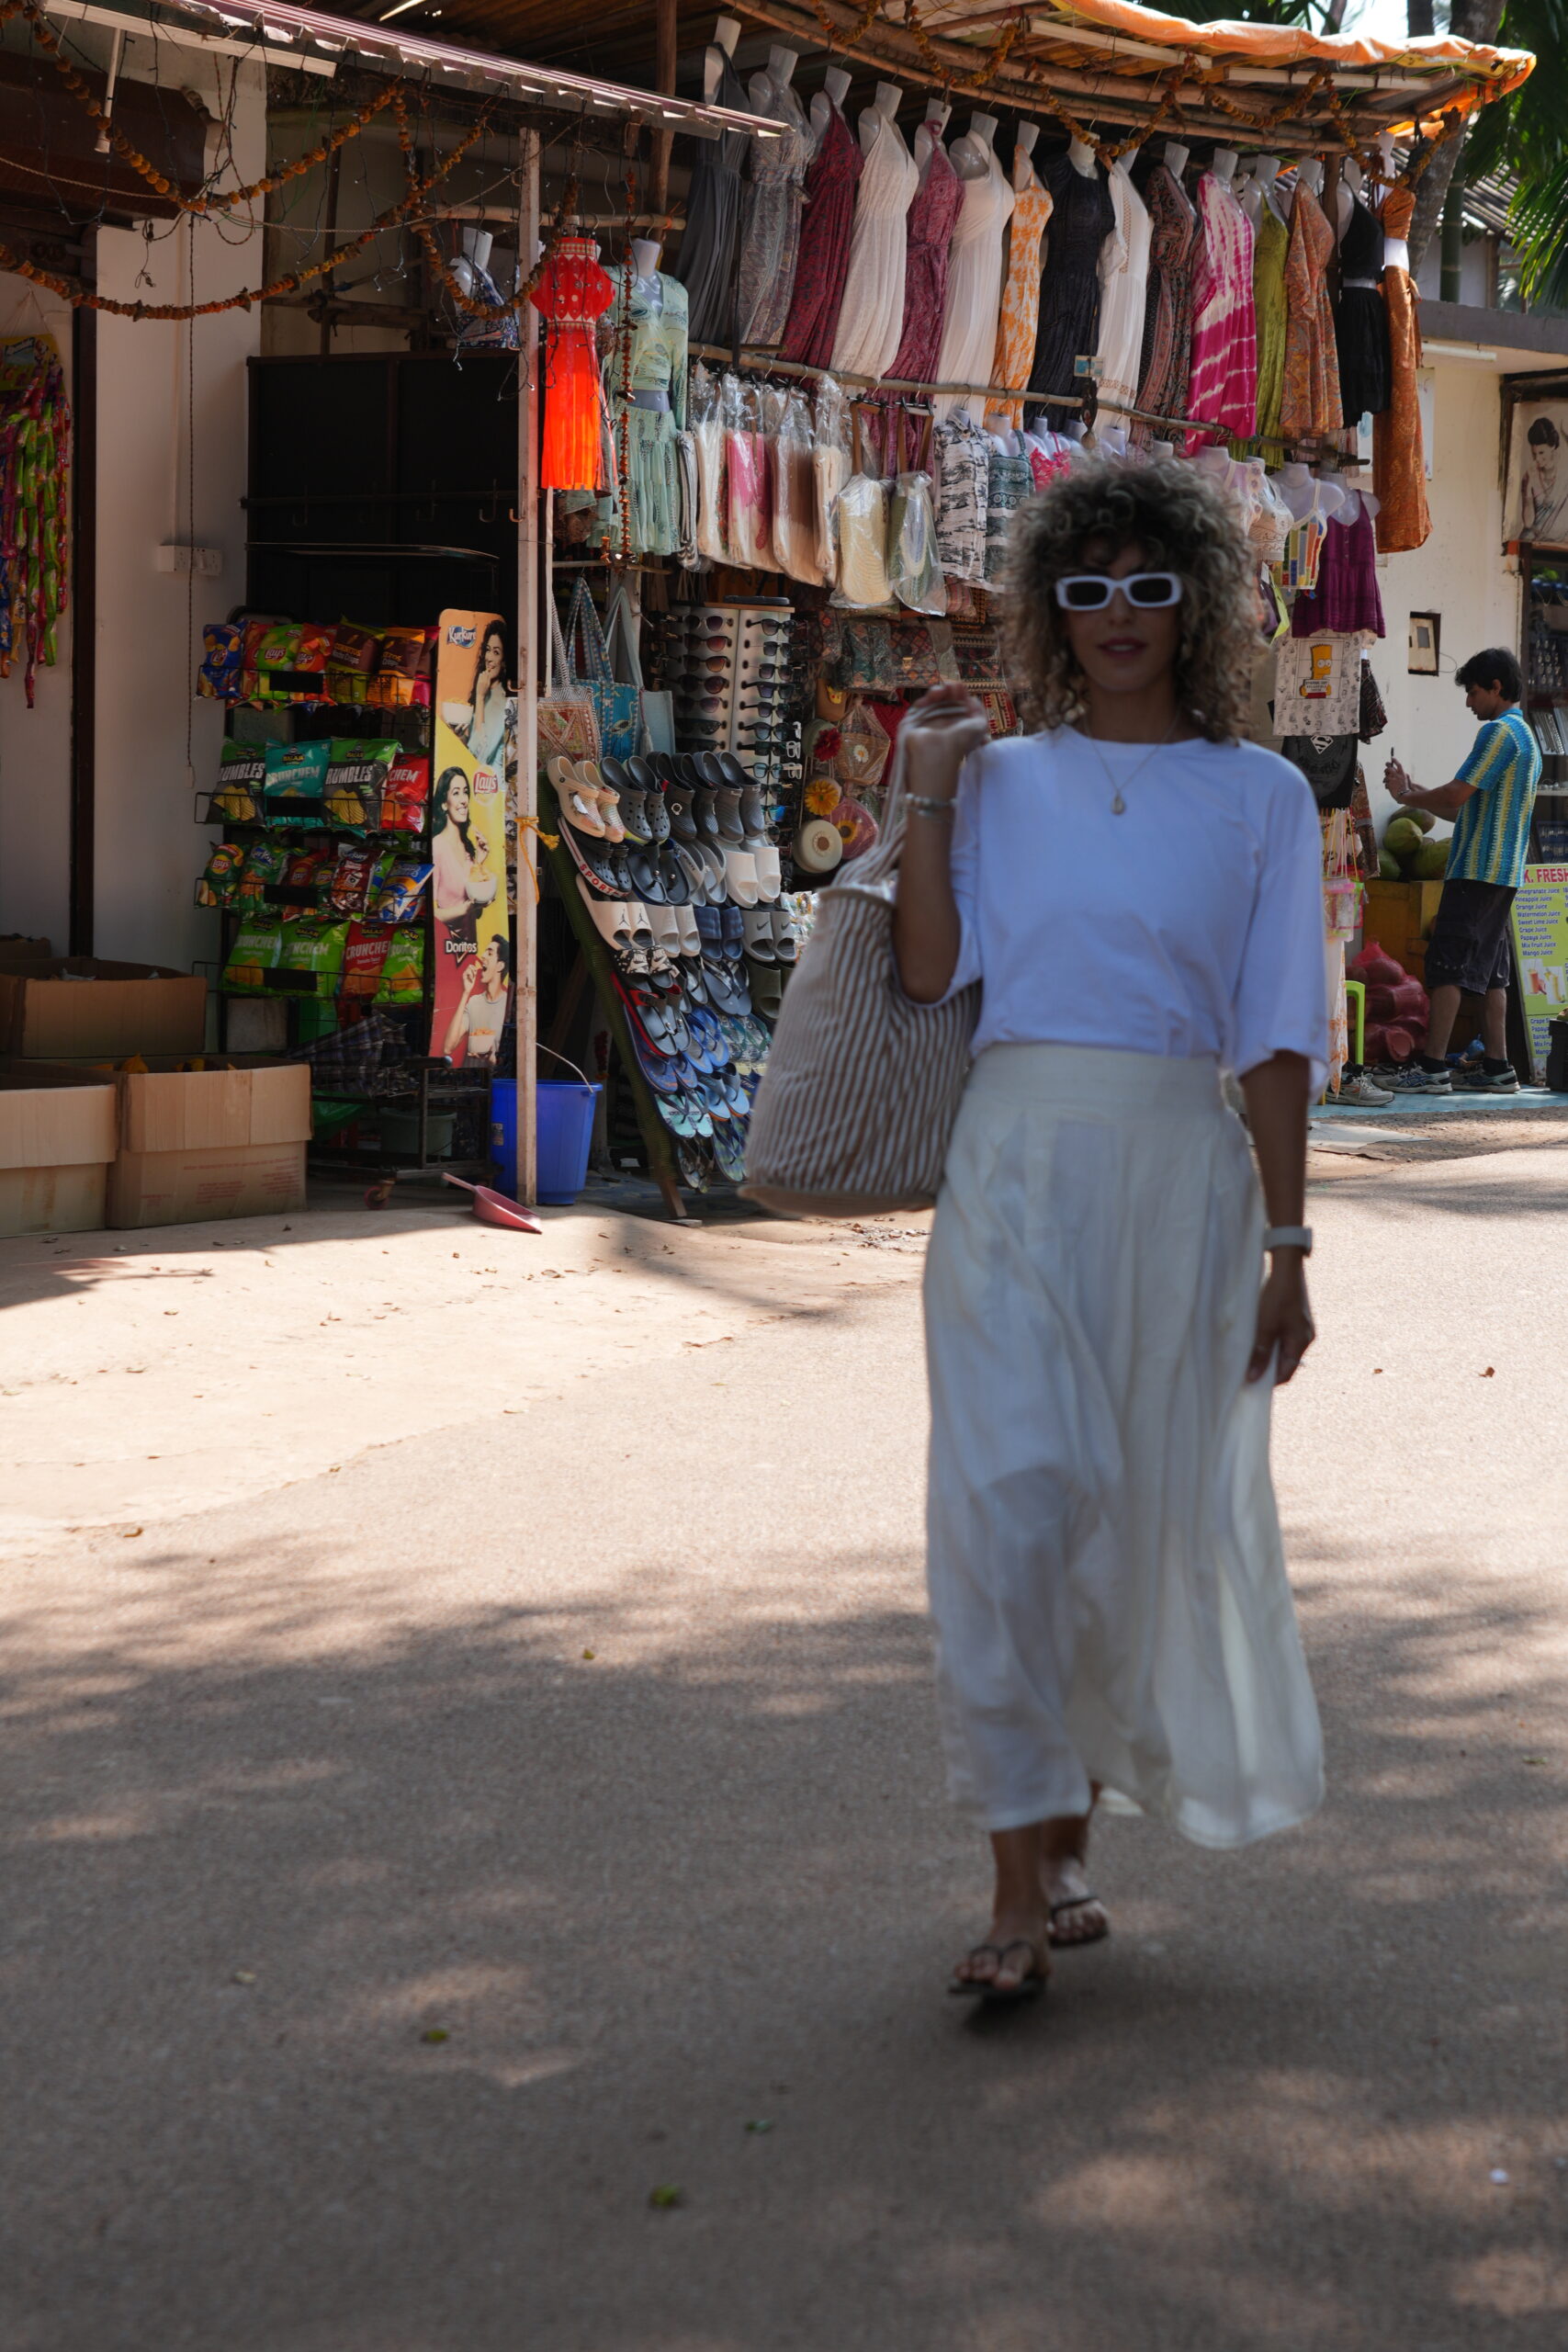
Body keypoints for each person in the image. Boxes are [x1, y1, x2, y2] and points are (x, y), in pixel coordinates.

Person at [892, 459, 1327, 2004]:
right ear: (1050, 609)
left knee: (1124, 1536)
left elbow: (1273, 1037)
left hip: (1177, 1182)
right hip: (1011, 1161)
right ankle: (1013, 1891)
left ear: (1197, 603)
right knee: (1006, 1511)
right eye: (1088, 588)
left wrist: (1288, 1248)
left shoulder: (1262, 798)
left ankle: (1069, 1834)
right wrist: (926, 794)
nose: (1119, 614)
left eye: (1150, 585)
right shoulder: (1002, 780)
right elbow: (931, 971)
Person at [1384, 647, 1540, 1095]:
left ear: (1496, 687)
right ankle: (1497, 1067)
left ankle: (1432, 1067)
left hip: (1477, 870)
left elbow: (1454, 796)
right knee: (1492, 974)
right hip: (1504, 872)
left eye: (1473, 692)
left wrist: (1405, 798)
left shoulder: (1498, 732)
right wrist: (1415, 792)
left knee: (1448, 966)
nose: (1469, 702)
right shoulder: (1526, 736)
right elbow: (1464, 809)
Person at [432, 766, 498, 960]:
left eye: (465, 792)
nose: (463, 800)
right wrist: (466, 908)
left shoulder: (468, 847)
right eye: (456, 793)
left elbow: (475, 913)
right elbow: (432, 914)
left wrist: (480, 861)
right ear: (444, 803)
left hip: (470, 949)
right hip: (447, 951)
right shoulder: (438, 847)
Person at [443, 933, 511, 1066]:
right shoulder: (474, 1001)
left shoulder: (507, 1004)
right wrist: (466, 992)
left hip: (494, 1075)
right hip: (469, 1074)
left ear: (500, 966)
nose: (483, 956)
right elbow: (448, 1047)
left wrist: (491, 1059)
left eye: (489, 953)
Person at [1519, 415, 1568, 544]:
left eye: (1541, 453)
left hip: (1560, 542)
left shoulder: (1564, 473)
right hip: (1533, 541)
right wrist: (1529, 485)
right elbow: (1528, 523)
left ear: (1552, 446)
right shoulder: (1529, 476)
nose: (1537, 459)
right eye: (1534, 454)